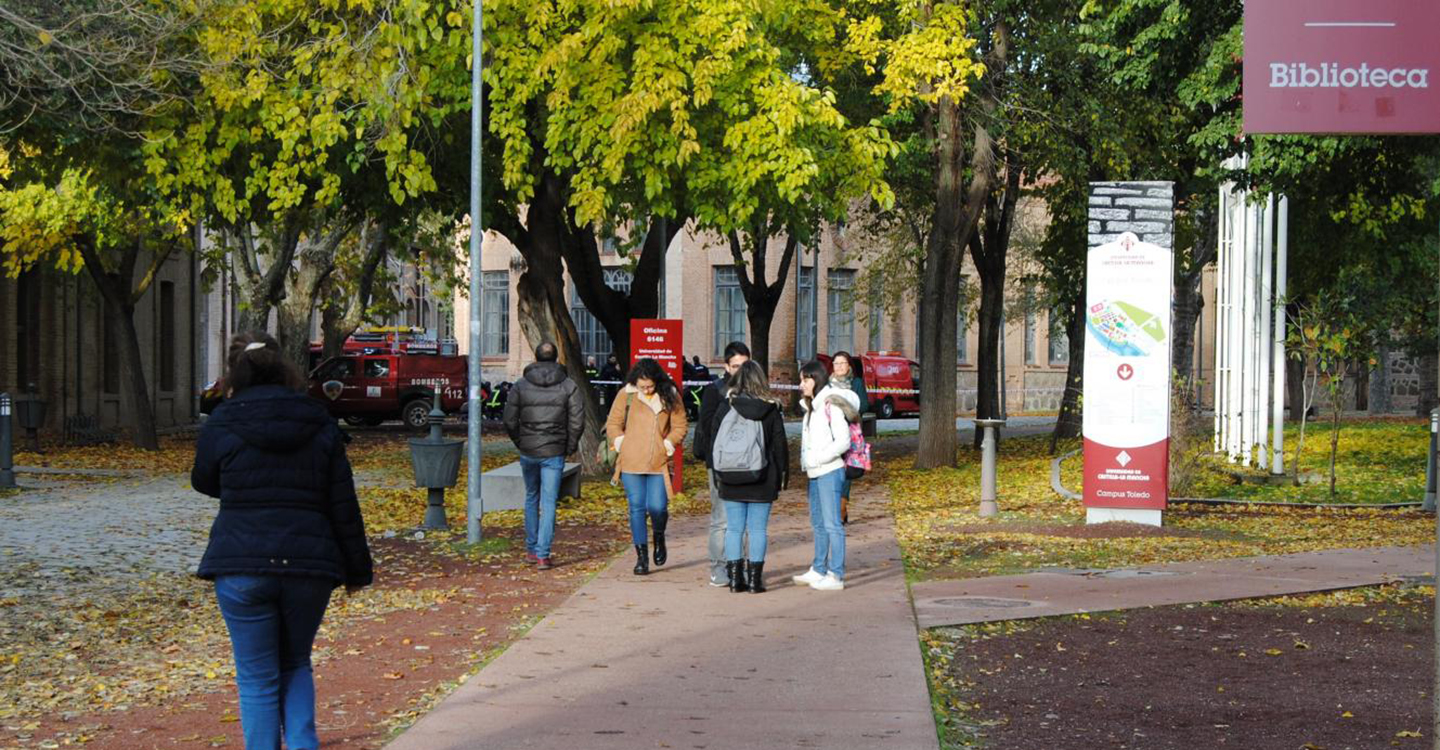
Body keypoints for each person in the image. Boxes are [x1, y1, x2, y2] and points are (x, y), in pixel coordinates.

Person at [192, 332, 373, 750]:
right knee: (295, 662)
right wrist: (358, 570)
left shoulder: (224, 420)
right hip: (308, 564)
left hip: (240, 561)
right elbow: (342, 502)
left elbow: (203, 480)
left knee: (256, 675)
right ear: (286, 369)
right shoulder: (319, 422)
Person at [503, 342, 586, 570]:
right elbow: (577, 420)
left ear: (536, 357)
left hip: (529, 449)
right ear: (557, 357)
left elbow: (509, 419)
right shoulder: (568, 385)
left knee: (531, 497)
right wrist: (568, 445)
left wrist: (521, 441)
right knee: (549, 502)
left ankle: (531, 549)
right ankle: (543, 554)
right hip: (554, 450)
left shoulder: (521, 385)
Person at [710, 361, 788, 594]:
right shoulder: (770, 409)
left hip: (731, 476)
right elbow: (779, 446)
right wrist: (781, 475)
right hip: (762, 477)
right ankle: (754, 580)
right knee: (757, 530)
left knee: (733, 529)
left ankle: (734, 580)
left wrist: (717, 474)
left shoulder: (726, 406)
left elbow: (714, 440)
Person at [606, 357, 688, 576]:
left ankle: (659, 536)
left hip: (657, 463)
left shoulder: (670, 394)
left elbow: (680, 425)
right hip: (631, 462)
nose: (647, 390)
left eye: (650, 386)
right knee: (637, 508)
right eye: (643, 386)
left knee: (658, 507)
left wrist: (668, 444)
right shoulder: (626, 394)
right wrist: (620, 442)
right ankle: (641, 557)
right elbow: (613, 423)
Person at [793, 359, 858, 591]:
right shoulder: (812, 407)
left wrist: (818, 458)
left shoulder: (830, 406)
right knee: (818, 523)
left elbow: (843, 441)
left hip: (829, 471)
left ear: (815, 379)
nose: (801, 384)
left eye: (804, 379)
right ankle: (819, 568)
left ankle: (836, 574)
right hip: (815, 473)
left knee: (833, 525)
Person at [692, 341, 751, 587]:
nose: (740, 370)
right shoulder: (714, 390)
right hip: (719, 464)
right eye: (736, 366)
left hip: (749, 464)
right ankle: (719, 566)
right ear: (726, 366)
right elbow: (706, 427)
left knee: (745, 520)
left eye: (745, 365)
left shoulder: (755, 390)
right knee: (722, 518)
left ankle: (742, 565)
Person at [829, 352, 869, 525]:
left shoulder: (856, 383)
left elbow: (865, 404)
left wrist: (847, 411)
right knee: (833, 468)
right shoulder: (827, 384)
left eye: (842, 363)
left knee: (846, 471)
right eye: (836, 363)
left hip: (850, 431)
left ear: (849, 366)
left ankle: (842, 507)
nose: (839, 367)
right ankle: (834, 505)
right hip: (830, 433)